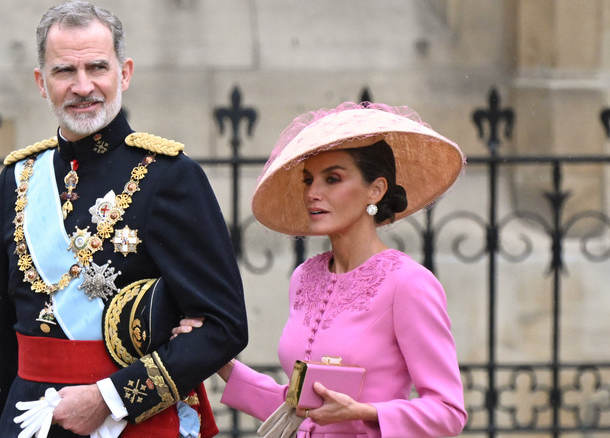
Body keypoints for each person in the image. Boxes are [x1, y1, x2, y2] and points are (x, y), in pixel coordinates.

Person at [0, 2, 248, 438]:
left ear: (125, 73)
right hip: (26, 421)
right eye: (64, 71)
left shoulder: (169, 176)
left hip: (132, 421)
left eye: (97, 67)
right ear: (42, 82)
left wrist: (109, 398)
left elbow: (224, 327)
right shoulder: (19, 179)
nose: (83, 86)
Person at [175, 102, 467, 437]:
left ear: (376, 189)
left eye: (333, 179)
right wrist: (220, 363)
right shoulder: (304, 277)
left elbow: (448, 412)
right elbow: (298, 408)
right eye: (309, 180)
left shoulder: (409, 283)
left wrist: (364, 413)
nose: (313, 193)